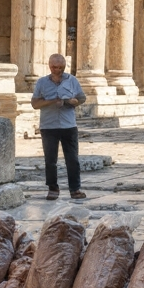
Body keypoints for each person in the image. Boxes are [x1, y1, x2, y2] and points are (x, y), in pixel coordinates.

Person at [31, 53, 88, 201]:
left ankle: (75, 189)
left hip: (68, 125)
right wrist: (51, 101)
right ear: (50, 66)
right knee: (50, 160)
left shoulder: (72, 80)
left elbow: (81, 98)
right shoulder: (42, 83)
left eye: (61, 67)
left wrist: (71, 102)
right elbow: (35, 104)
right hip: (48, 125)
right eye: (55, 67)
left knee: (72, 159)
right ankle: (53, 188)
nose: (57, 70)